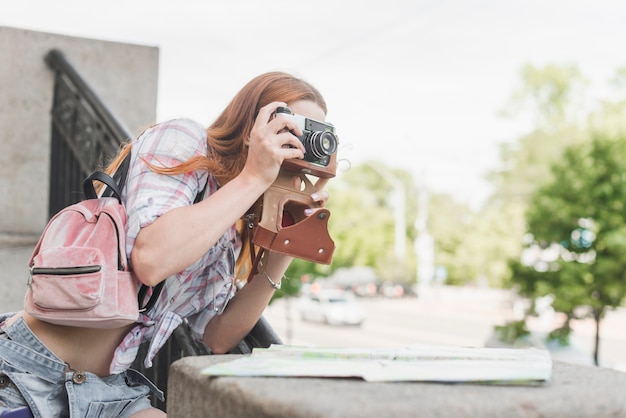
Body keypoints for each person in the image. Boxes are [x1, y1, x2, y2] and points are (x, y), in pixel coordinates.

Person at [0, 71, 332, 417]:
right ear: (255, 124)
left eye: (316, 138)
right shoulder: (183, 139)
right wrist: (254, 176)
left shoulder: (229, 229)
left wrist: (284, 249)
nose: (300, 147)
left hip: (104, 391)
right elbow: (152, 259)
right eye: (294, 130)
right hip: (26, 371)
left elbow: (218, 336)